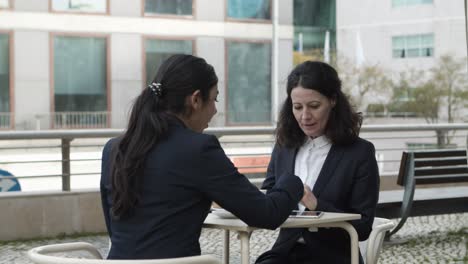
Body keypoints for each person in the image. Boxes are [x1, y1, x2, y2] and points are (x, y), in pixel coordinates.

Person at [100, 54, 307, 260]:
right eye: (214, 99)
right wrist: (292, 182)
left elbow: (115, 228)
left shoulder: (113, 149)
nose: (215, 110)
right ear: (196, 99)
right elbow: (265, 214)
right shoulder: (198, 149)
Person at [255, 61, 380, 264]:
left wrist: (316, 205)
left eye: (314, 106)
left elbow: (364, 226)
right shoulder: (284, 147)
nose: (305, 116)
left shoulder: (359, 153)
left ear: (332, 100)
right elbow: (269, 196)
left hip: (333, 257)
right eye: (297, 107)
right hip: (285, 253)